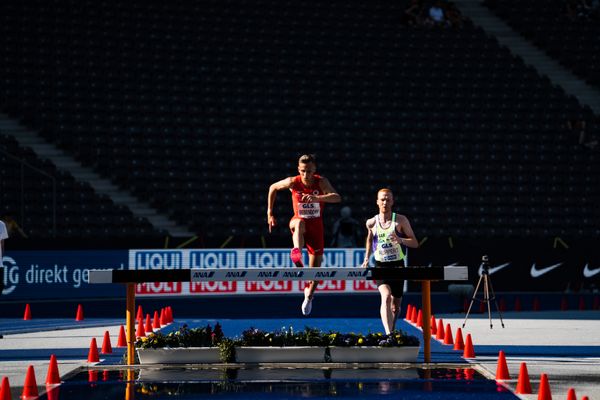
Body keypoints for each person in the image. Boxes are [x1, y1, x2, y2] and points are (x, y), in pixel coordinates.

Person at [267, 154, 341, 315]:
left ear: (314, 170)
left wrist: (317, 197)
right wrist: (270, 213)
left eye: (308, 171)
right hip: (298, 221)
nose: (305, 175)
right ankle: (297, 252)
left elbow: (337, 197)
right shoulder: (293, 181)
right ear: (298, 170)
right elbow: (272, 187)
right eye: (302, 171)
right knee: (299, 223)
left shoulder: (321, 181)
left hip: (316, 227)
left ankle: (309, 296)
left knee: (315, 272)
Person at [361, 188, 418, 334]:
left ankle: (392, 331)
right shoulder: (371, 222)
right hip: (380, 266)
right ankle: (388, 334)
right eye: (382, 199)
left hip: (398, 265)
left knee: (395, 307)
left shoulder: (400, 220)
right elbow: (369, 240)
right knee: (385, 296)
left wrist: (401, 240)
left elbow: (415, 242)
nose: (385, 202)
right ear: (377, 202)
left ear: (392, 201)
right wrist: (367, 258)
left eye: (388, 199)